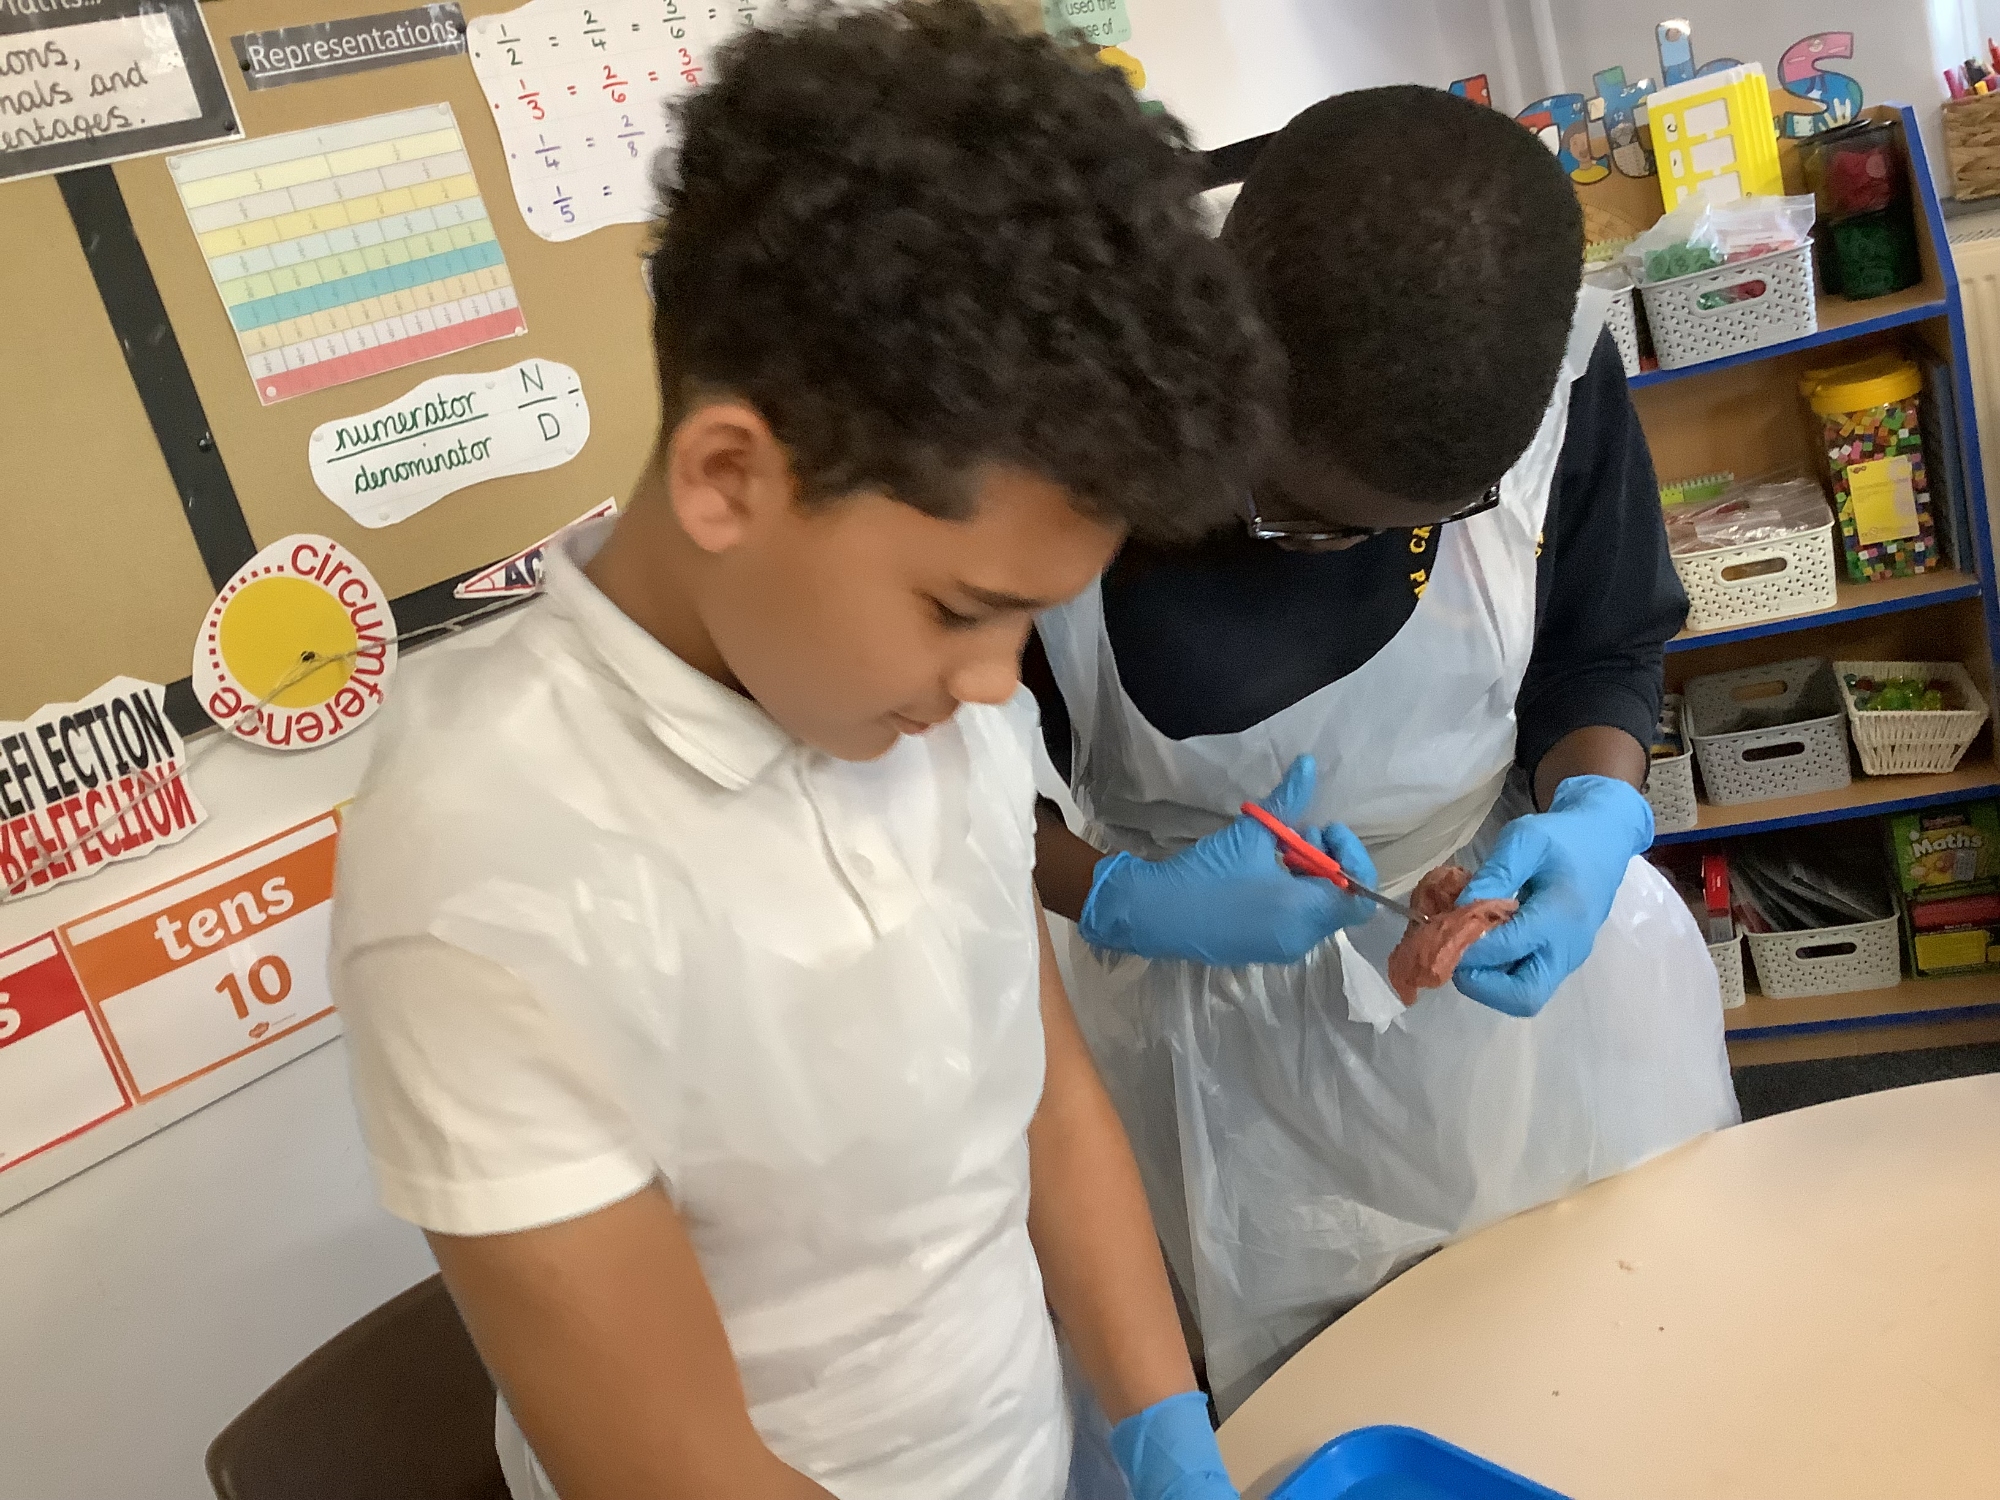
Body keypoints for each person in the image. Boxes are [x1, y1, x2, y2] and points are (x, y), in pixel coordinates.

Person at [328, 7, 1281, 1498]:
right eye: (961, 611)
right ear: (729, 477)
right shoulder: (479, 864)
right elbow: (679, 1471)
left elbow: (1044, 1099)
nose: (995, 687)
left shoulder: (919, 702)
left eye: (1027, 623)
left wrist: (1163, 1427)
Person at [1026, 84, 1741, 1414]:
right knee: (1324, 1407)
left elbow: (1598, 646)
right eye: (1301, 519)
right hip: (1208, 1043)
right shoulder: (1049, 418)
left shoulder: (1537, 359)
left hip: (1506, 983)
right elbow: (947, 784)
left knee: (1611, 1362)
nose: (1349, 555)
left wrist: (1592, 817)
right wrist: (1116, 892)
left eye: (1435, 518)